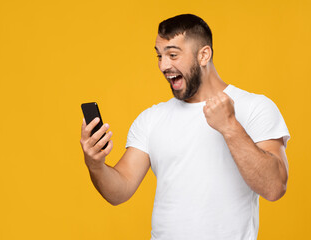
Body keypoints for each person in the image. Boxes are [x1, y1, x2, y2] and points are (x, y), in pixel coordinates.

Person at [80, 14, 290, 240]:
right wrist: (95, 164)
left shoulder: (255, 107)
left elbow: (274, 187)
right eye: (159, 56)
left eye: (172, 55)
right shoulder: (152, 118)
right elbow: (119, 191)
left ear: (204, 55)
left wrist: (230, 127)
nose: (163, 65)